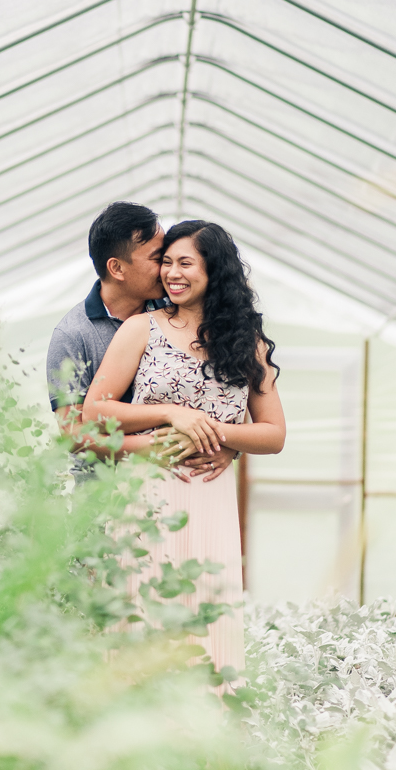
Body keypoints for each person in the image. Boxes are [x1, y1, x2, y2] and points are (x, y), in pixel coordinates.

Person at [82, 220, 286, 677]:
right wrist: (173, 414)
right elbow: (95, 411)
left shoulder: (245, 344)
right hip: (145, 498)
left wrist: (221, 436)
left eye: (185, 263)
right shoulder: (141, 329)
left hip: (210, 501)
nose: (172, 273)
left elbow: (273, 434)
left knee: (206, 625)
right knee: (141, 617)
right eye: (166, 262)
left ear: (214, 271)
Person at [47, 202, 238, 479]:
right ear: (117, 268)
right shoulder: (72, 335)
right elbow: (74, 434)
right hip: (101, 499)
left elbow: (222, 393)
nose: (168, 270)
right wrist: (158, 446)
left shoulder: (178, 309)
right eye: (158, 258)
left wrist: (227, 445)